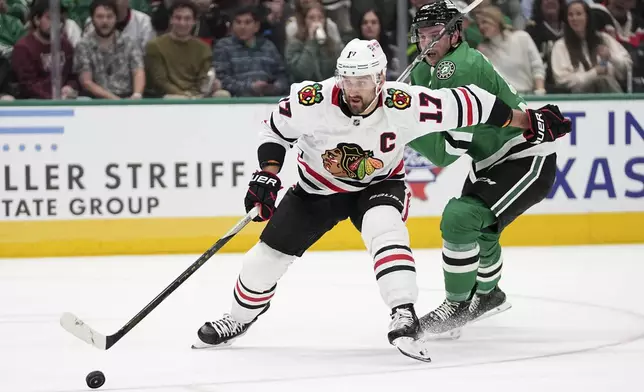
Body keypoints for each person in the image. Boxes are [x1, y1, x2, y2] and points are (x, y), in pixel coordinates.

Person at [192, 37, 571, 361]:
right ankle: (238, 318)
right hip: (317, 188)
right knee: (264, 259)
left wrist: (530, 120)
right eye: (348, 80)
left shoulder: (406, 104)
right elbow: (275, 128)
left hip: (379, 184)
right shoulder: (312, 98)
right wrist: (268, 173)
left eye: (363, 81)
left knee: (384, 228)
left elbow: (477, 104)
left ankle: (403, 313)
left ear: (381, 79)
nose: (354, 90)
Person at [406, 0, 570, 339]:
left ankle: (458, 306)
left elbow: (446, 152)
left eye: (435, 35)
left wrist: (398, 128)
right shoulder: (433, 65)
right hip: (492, 160)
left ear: (455, 34)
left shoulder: (461, 68)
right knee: (481, 228)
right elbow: (412, 103)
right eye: (422, 36)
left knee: (460, 217)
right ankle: (488, 295)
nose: (427, 45)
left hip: (526, 157)